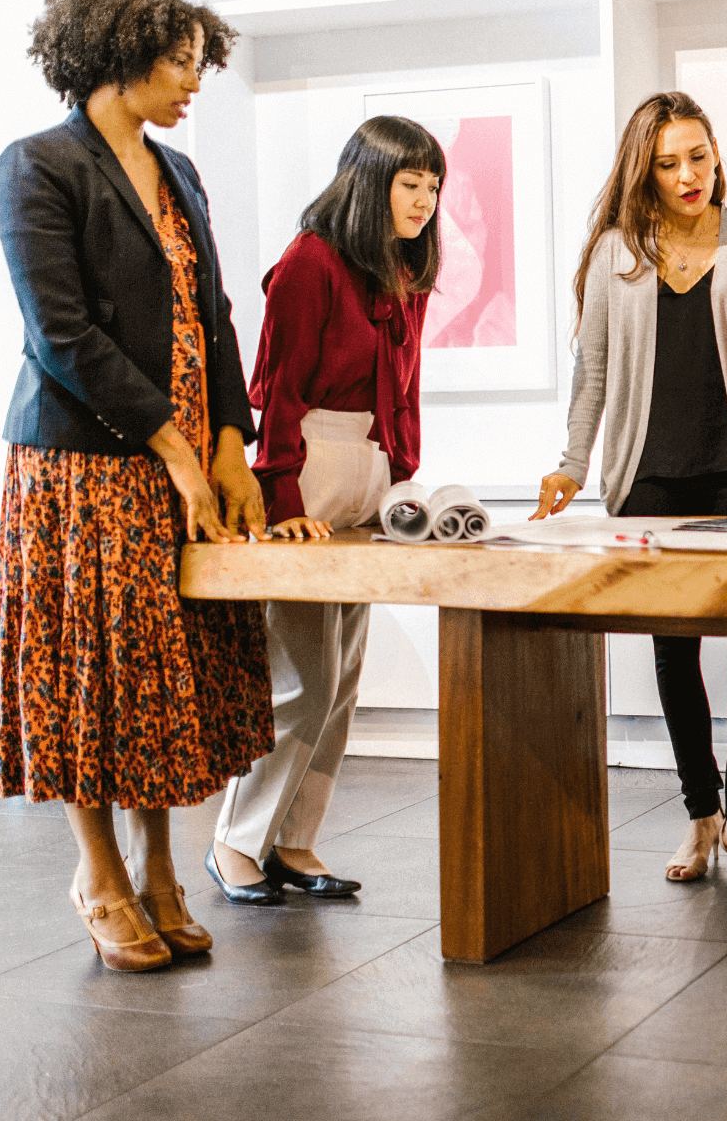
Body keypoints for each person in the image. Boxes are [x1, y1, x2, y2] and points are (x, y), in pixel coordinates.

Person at [0, 0, 270, 971]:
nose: (194, 79)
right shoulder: (37, 166)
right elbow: (59, 332)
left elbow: (215, 316)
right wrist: (174, 447)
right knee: (93, 678)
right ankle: (99, 870)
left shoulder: (180, 172)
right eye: (181, 59)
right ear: (119, 48)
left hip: (187, 458)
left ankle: (161, 867)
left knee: (169, 674)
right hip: (85, 467)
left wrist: (232, 444)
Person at [533, 92, 727, 893]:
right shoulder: (620, 250)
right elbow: (595, 373)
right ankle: (701, 813)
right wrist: (572, 465)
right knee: (672, 652)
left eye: (699, 155)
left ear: (717, 154)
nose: (689, 175)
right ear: (643, 172)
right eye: (668, 162)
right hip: (647, 479)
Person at [208, 116, 443, 904]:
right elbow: (276, 387)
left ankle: (295, 842)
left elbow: (401, 397)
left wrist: (402, 485)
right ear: (370, 181)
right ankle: (237, 843)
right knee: (300, 675)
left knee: (342, 679)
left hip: (368, 479)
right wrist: (279, 499)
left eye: (433, 186)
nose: (424, 200)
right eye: (410, 183)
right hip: (303, 471)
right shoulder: (311, 261)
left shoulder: (402, 272)